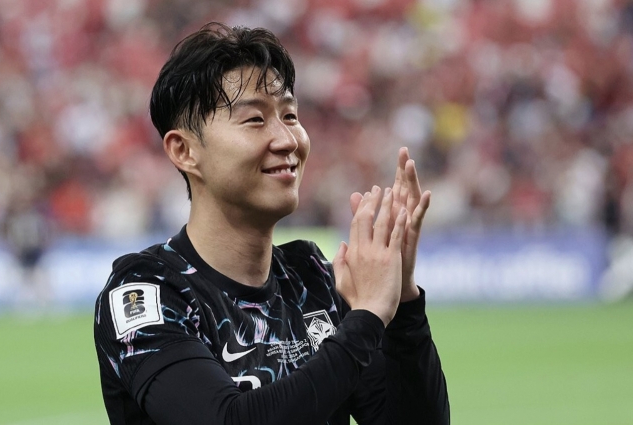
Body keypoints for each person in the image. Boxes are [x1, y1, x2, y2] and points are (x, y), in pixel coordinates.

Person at [93, 22, 449, 425]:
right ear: (184, 150)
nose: (287, 139)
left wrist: (402, 305)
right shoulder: (148, 292)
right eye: (255, 120)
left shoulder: (311, 280)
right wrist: (366, 318)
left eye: (290, 115)